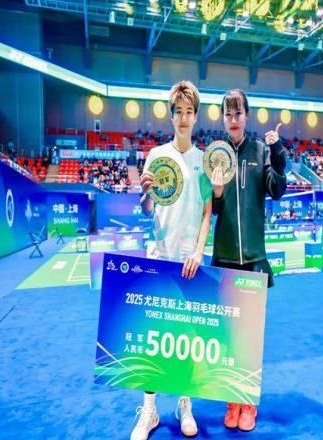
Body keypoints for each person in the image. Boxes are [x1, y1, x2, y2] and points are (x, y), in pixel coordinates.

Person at [132, 80, 213, 440]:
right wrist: (144, 193)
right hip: (159, 257)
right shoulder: (156, 155)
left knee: (186, 338)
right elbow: (147, 208)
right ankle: (149, 410)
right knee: (153, 337)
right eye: (178, 111)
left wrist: (198, 251)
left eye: (189, 112)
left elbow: (207, 212)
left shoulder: (203, 161)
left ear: (196, 117)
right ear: (171, 115)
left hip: (189, 261)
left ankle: (184, 403)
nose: (183, 118)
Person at [209, 88, 287, 432]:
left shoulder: (260, 149)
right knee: (228, 337)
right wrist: (216, 192)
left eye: (238, 113)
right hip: (225, 258)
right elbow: (212, 209)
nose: (233, 119)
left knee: (250, 337)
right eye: (228, 114)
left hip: (254, 259)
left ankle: (248, 403)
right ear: (222, 118)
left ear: (247, 116)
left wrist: (278, 152)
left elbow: (276, 190)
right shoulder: (216, 153)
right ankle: (232, 401)